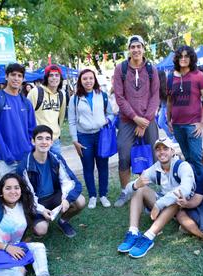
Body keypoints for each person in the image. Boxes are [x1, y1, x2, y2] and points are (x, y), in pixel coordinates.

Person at [117, 137, 195, 258]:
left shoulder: (183, 166)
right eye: (158, 149)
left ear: (173, 151)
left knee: (176, 198)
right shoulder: (156, 167)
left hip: (184, 208)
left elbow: (185, 189)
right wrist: (135, 185)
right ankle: (133, 231)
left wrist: (159, 204)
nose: (161, 152)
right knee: (140, 188)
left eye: (165, 148)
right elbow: (127, 190)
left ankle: (149, 237)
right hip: (164, 206)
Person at [113, 35, 160, 207]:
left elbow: (155, 96)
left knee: (155, 154)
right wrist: (135, 118)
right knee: (124, 154)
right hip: (128, 120)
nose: (136, 50)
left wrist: (145, 120)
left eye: (138, 46)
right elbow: (119, 97)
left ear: (143, 48)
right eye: (132, 47)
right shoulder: (121, 69)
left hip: (148, 119)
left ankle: (149, 192)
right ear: (129, 49)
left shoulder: (151, 69)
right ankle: (125, 191)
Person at [17, 125, 85, 238]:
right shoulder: (24, 166)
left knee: (80, 201)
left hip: (54, 196)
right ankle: (36, 221)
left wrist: (66, 200)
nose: (44, 142)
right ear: (33, 141)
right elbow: (26, 196)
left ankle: (63, 221)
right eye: (40, 138)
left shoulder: (56, 158)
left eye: (47, 138)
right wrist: (42, 210)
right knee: (41, 230)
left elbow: (72, 182)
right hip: (36, 202)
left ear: (52, 142)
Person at [68, 69, 114, 209]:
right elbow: (72, 121)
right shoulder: (75, 98)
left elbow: (111, 114)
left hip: (101, 136)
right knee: (88, 168)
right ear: (80, 81)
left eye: (91, 78)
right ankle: (93, 196)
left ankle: (103, 195)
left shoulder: (103, 95)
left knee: (103, 166)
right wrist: (75, 140)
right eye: (85, 79)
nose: (88, 81)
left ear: (95, 80)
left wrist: (106, 120)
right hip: (84, 137)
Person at [167, 45, 203, 177]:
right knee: (188, 159)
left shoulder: (199, 76)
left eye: (186, 56)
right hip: (177, 125)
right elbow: (169, 100)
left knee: (197, 157)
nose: (183, 59)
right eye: (181, 56)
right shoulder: (170, 77)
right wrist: (169, 120)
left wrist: (202, 123)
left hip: (193, 125)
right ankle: (194, 186)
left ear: (191, 58)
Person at [0, 63, 37, 176]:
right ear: (6, 76)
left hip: (26, 157)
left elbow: (32, 130)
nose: (16, 78)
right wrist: (6, 155)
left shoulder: (26, 103)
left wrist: (31, 150)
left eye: (20, 75)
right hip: (6, 160)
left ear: (23, 79)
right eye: (13, 74)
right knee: (10, 192)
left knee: (28, 191)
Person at [27, 64, 68, 155]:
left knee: (57, 167)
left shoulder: (61, 95)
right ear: (46, 77)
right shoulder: (35, 92)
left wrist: (57, 131)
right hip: (39, 140)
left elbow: (61, 117)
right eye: (51, 75)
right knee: (39, 168)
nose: (54, 78)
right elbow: (27, 116)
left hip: (54, 140)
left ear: (60, 78)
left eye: (57, 75)